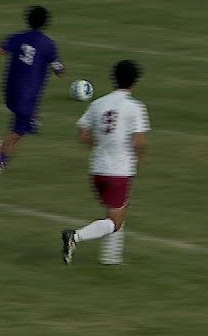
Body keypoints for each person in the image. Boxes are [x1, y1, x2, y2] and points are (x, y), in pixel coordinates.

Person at [61, 60, 149, 266]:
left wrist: (99, 146)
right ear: (135, 82)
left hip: (97, 171)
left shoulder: (98, 103)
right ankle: (75, 236)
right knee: (115, 222)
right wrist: (139, 159)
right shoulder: (135, 107)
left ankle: (111, 258)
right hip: (119, 172)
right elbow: (139, 142)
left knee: (116, 211)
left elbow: (82, 134)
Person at [0, 5, 65, 183]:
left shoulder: (18, 38)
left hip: (10, 91)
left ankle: (2, 160)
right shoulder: (47, 44)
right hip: (28, 95)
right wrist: (60, 69)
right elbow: (59, 69)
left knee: (24, 128)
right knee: (20, 130)